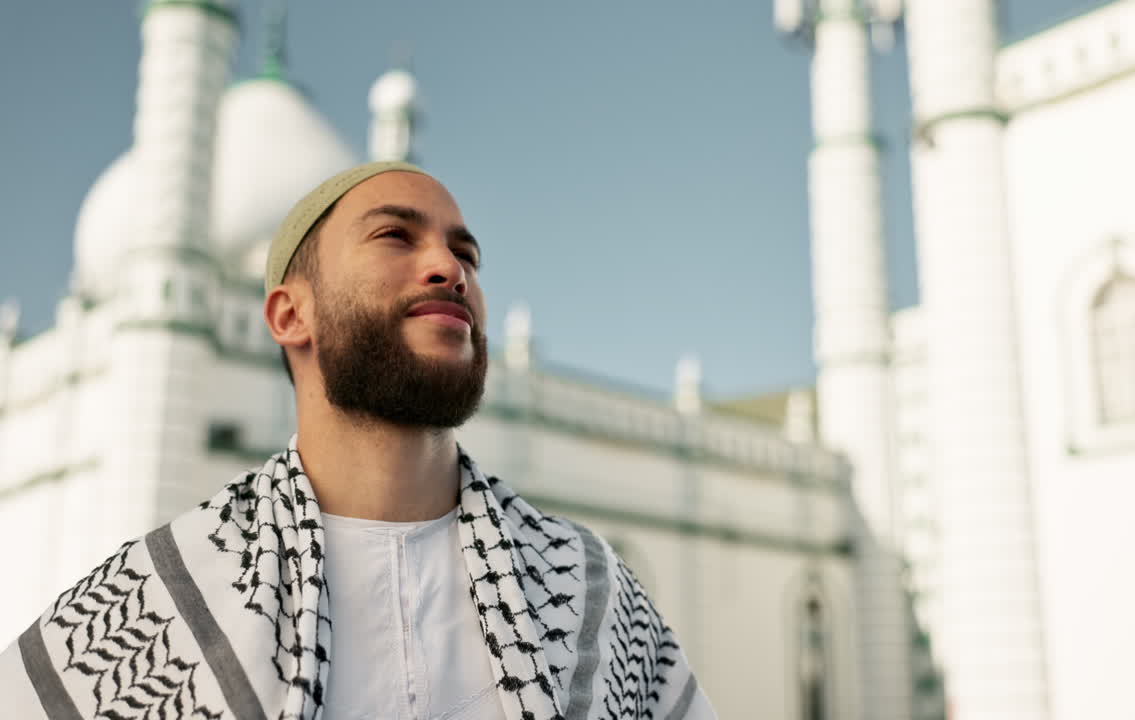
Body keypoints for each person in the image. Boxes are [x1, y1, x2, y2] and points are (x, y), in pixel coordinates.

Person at [0, 161, 716, 720]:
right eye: (395, 235)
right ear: (288, 314)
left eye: (464, 252)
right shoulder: (162, 601)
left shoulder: (585, 586)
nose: (450, 268)